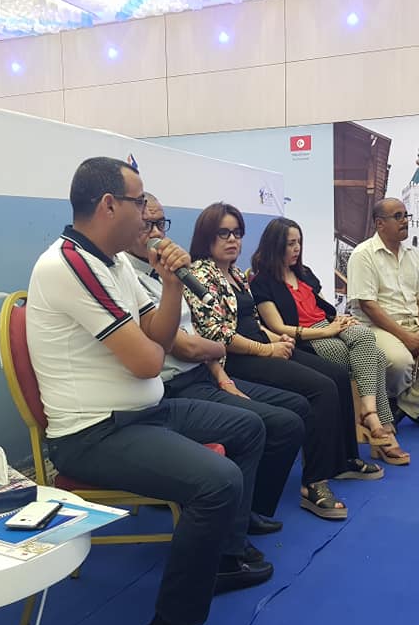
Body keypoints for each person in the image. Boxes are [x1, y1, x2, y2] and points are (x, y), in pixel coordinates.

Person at [26, 157, 271, 625]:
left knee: (249, 427)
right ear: (108, 205)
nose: (147, 215)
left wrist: (171, 282)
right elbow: (147, 360)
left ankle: (222, 557)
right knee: (217, 481)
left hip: (144, 411)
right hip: (94, 433)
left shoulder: (113, 261)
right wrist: (159, 342)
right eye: (139, 203)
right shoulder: (68, 265)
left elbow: (157, 336)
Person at [186, 202, 385, 523]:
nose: (233, 239)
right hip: (237, 359)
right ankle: (313, 482)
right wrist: (266, 349)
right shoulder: (200, 275)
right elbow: (218, 335)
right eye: (224, 233)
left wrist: (275, 339)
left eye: (237, 233)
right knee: (320, 389)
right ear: (206, 236)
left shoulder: (235, 274)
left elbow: (252, 321)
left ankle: (344, 460)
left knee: (336, 375)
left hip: (260, 347)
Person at [124, 193, 308, 537]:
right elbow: (188, 344)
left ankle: (249, 509)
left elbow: (199, 339)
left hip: (206, 372)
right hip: (172, 387)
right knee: (263, 424)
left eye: (160, 223)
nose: (156, 233)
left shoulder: (169, 273)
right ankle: (232, 533)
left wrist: (223, 378)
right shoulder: (128, 278)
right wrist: (225, 348)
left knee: (294, 412)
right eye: (146, 224)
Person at [250, 217, 409, 464]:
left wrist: (340, 321)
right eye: (290, 243)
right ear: (275, 245)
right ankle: (383, 428)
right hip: (305, 337)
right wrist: (326, 332)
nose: (297, 248)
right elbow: (278, 327)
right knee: (375, 357)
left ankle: (369, 415)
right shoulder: (262, 283)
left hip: (328, 324)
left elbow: (323, 307)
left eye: (299, 242)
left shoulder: (304, 273)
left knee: (365, 336)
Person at [347, 197, 419, 425]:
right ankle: (397, 400)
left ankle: (406, 405)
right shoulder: (363, 254)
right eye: (398, 216)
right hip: (376, 326)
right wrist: (407, 338)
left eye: (406, 215)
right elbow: (368, 305)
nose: (405, 221)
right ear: (380, 224)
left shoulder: (414, 254)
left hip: (414, 323)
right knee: (400, 362)